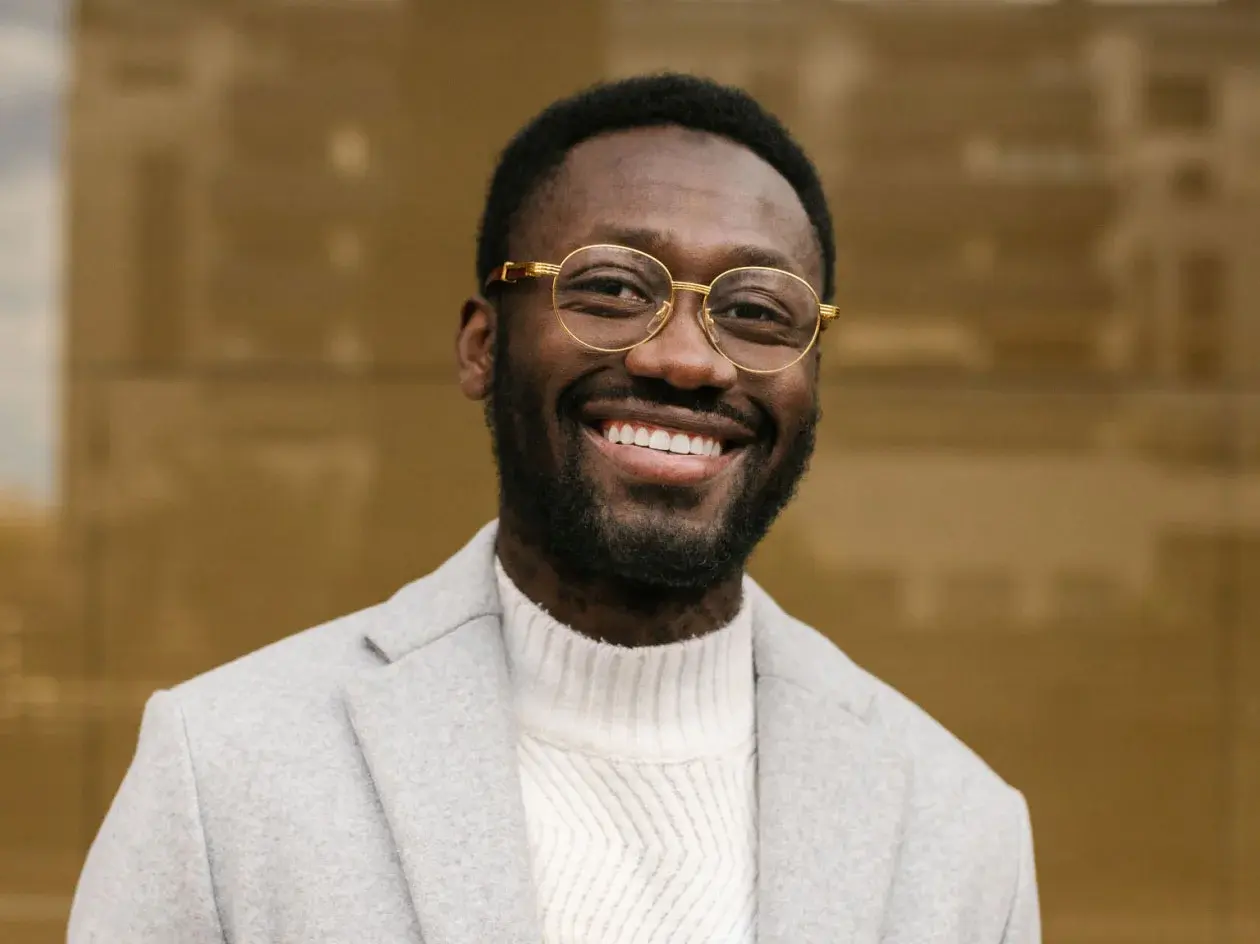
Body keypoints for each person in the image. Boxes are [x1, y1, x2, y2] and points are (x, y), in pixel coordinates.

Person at [69, 73, 1040, 944]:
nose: (688, 359)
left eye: (755, 311)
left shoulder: (958, 831)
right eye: (614, 288)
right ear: (481, 346)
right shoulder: (224, 770)